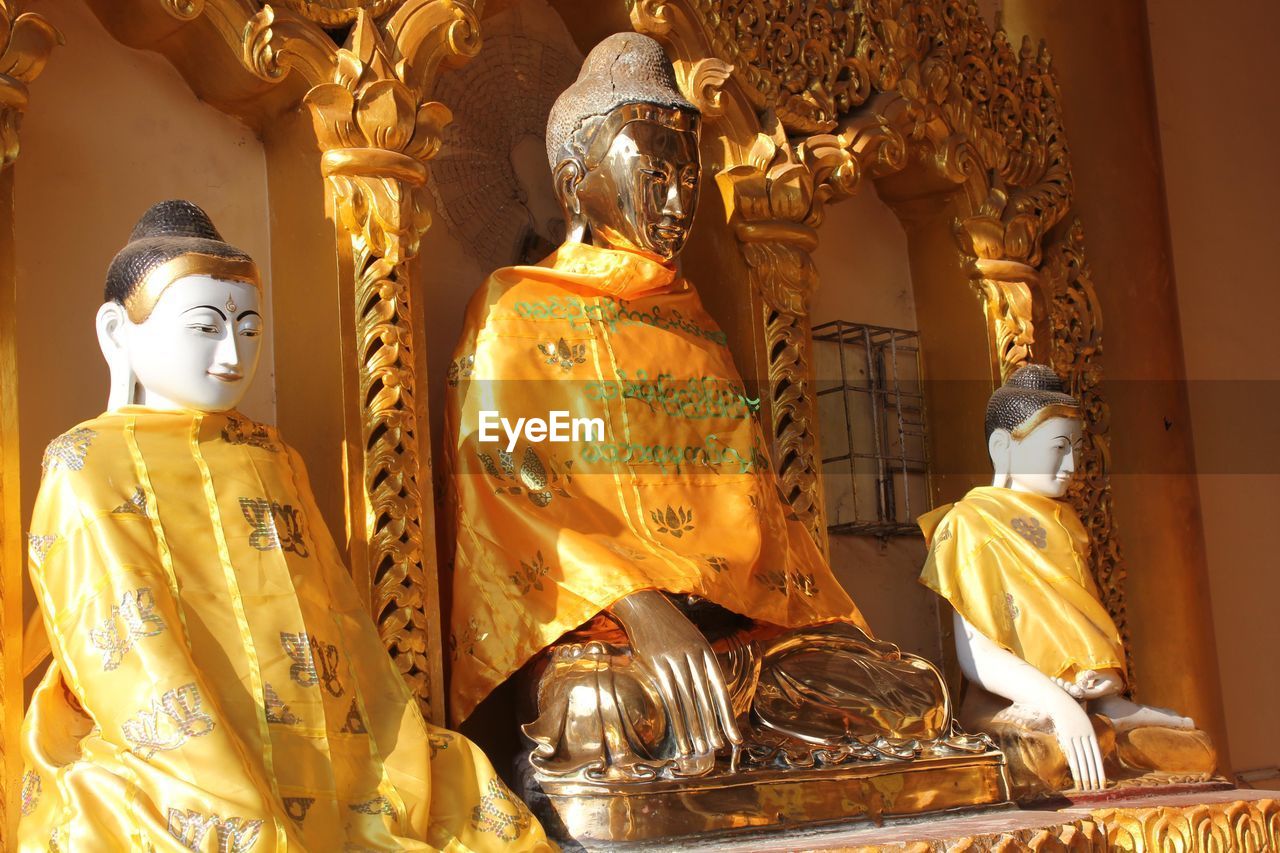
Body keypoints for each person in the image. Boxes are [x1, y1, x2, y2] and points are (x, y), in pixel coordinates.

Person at [18, 200, 551, 851]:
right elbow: (122, 648)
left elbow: (338, 621)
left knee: (446, 780)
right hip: (163, 747)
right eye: (205, 326)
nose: (231, 351)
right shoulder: (86, 462)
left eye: (249, 325)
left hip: (315, 736)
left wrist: (381, 741)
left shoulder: (273, 457)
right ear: (117, 333)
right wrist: (220, 782)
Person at [918, 363, 1216, 796]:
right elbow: (977, 655)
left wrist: (1106, 691)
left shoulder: (1067, 523)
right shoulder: (970, 522)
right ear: (1003, 447)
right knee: (1034, 757)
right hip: (1013, 709)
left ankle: (1104, 726)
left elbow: (1079, 631)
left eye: (1076, 447)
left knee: (1196, 750)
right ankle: (1091, 732)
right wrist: (1057, 703)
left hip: (1089, 703)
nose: (1071, 463)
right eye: (1058, 447)